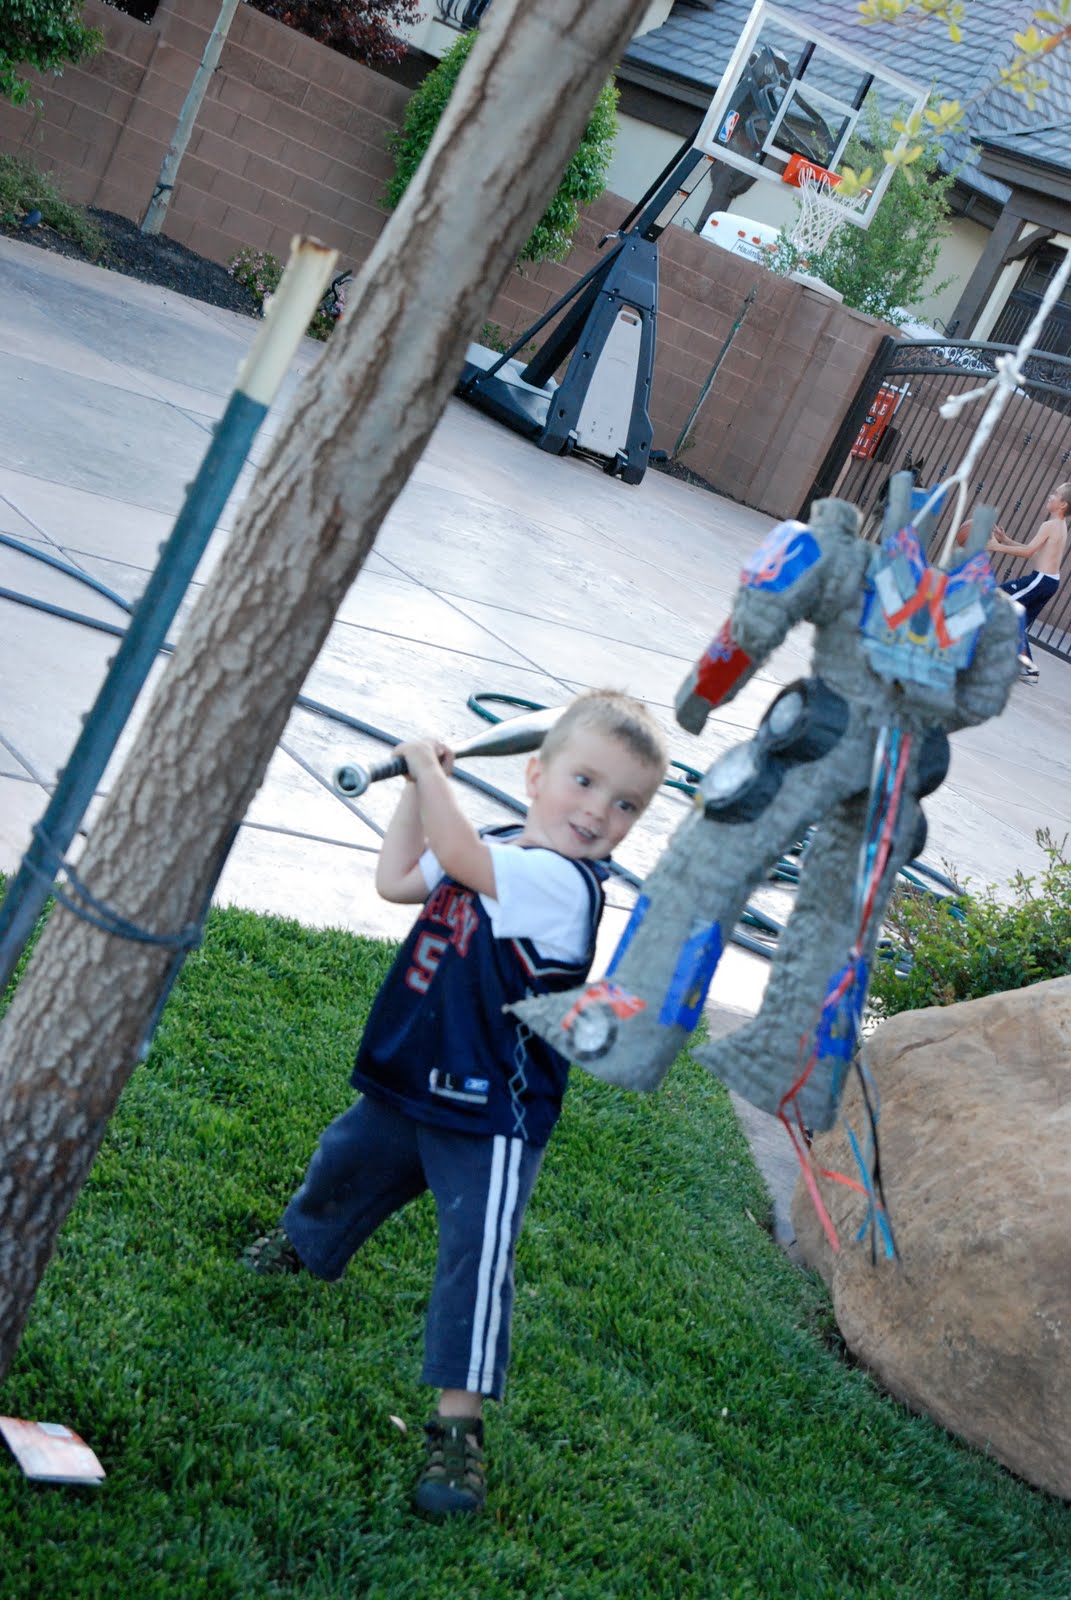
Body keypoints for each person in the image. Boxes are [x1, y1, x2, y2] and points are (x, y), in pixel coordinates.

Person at [243, 689, 668, 1518]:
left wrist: (429, 771)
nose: (598, 812)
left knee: (475, 1258)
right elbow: (398, 879)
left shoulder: (562, 883)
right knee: (343, 1166)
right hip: (415, 1069)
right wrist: (416, 786)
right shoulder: (499, 843)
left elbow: (462, 858)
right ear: (535, 775)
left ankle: (456, 1430)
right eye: (583, 782)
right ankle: (306, 1243)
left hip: (490, 1111)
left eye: (626, 804)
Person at [987, 483, 1069, 684]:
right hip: (1049, 582)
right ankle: (1028, 668)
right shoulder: (1059, 527)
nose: (1050, 495)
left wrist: (997, 547)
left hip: (1040, 581)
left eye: (1055, 494)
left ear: (1063, 505)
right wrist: (1006, 540)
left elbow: (1027, 552)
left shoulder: (1049, 525)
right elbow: (1035, 552)